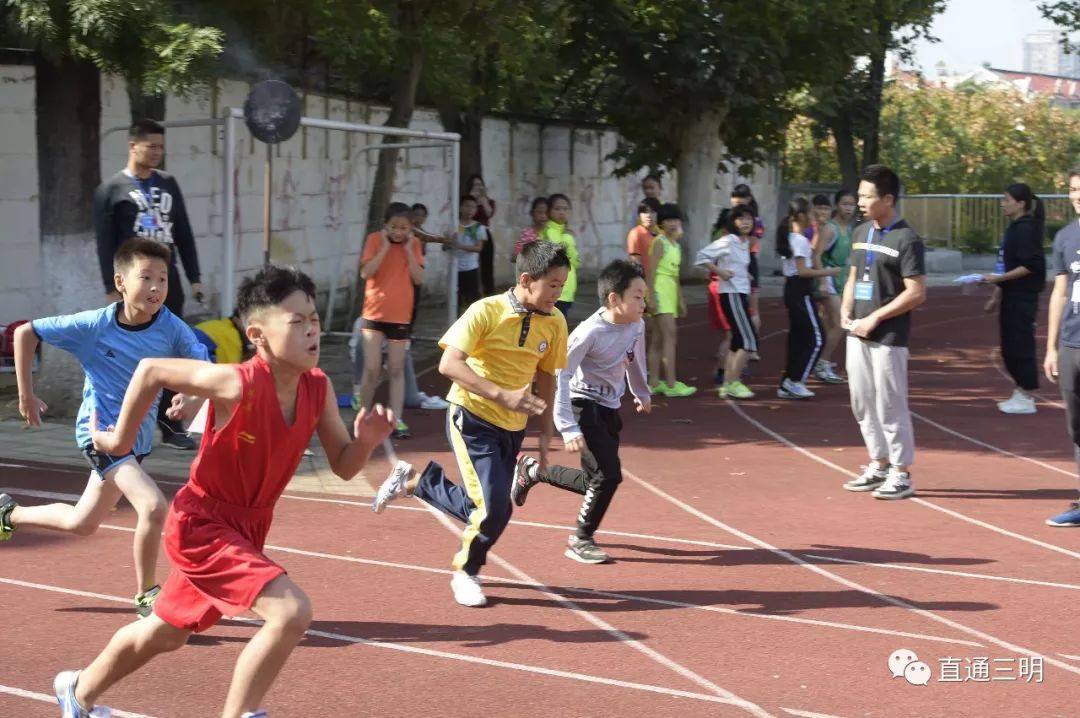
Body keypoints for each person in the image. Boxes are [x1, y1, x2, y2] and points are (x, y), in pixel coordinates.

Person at [48, 265, 396, 718]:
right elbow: (151, 369)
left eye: (313, 319)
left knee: (166, 633)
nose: (312, 330)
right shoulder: (238, 383)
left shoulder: (318, 387)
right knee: (291, 612)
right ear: (258, 335)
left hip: (247, 528)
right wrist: (117, 442)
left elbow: (345, 467)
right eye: (296, 322)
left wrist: (366, 441)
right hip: (203, 525)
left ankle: (78, 689)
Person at [0, 239, 209, 618]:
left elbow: (203, 366)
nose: (156, 288)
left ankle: (8, 515)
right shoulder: (94, 325)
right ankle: (148, 594)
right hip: (103, 435)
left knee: (83, 523)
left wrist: (193, 399)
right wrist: (26, 394)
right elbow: (24, 332)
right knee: (152, 505)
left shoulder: (171, 328)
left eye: (162, 279)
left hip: (138, 440)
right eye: (145, 277)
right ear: (121, 282)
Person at [369, 241, 570, 607]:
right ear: (526, 279)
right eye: (553, 285)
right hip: (472, 417)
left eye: (562, 285)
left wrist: (546, 432)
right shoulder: (485, 311)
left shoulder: (555, 321)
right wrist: (502, 395)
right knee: (494, 508)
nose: (559, 293)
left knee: (489, 506)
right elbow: (449, 366)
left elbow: (546, 377)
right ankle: (466, 571)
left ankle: (417, 482)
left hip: (514, 426)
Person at [511, 260, 651, 564]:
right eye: (637, 297)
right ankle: (581, 538)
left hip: (609, 406)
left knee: (594, 482)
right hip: (581, 405)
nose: (644, 303)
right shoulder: (589, 332)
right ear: (614, 299)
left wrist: (641, 391)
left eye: (645, 296)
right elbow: (560, 373)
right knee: (609, 476)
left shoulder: (636, 324)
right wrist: (568, 426)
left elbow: (635, 357)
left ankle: (532, 471)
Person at [95, 118, 204, 450]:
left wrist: (195, 277)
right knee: (131, 354)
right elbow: (104, 243)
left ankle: (172, 424)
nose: (157, 153)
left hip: (167, 286)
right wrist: (112, 288)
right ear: (133, 146)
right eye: (151, 146)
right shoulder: (111, 190)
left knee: (172, 352)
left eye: (161, 147)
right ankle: (122, 422)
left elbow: (183, 232)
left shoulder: (169, 184)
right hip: (133, 289)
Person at [841, 164, 926, 500]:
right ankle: (878, 463)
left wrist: (875, 318)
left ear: (888, 199)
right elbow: (852, 276)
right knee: (862, 402)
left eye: (867, 196)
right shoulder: (861, 233)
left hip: (888, 337)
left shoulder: (907, 239)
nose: (860, 201)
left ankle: (901, 472)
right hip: (856, 332)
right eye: (859, 195)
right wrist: (846, 309)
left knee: (890, 404)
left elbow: (916, 292)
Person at [359, 202, 425, 439]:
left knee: (396, 369)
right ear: (385, 226)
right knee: (372, 368)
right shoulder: (375, 240)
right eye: (394, 227)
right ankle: (364, 415)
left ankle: (396, 419)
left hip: (400, 315)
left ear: (411, 228)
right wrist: (385, 247)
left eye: (404, 228)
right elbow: (366, 273)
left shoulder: (414, 244)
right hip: (374, 313)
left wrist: (407, 250)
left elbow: (418, 278)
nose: (399, 232)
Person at [982, 183, 1046, 415]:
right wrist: (996, 294)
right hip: (1011, 295)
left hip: (1022, 297)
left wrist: (997, 279)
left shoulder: (1027, 229)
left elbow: (1031, 265)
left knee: (1020, 344)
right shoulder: (1014, 228)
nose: (1003, 203)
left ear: (1020, 203)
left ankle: (1026, 394)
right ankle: (1019, 391)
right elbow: (1010, 266)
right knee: (1010, 346)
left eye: (1007, 199)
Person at [1042, 165, 1080, 527]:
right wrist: (1051, 346)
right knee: (1077, 427)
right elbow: (1059, 291)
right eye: (1072, 190)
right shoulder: (1066, 237)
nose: (1077, 196)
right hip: (1071, 342)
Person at [777, 198, 840, 400]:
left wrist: (819, 232)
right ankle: (795, 381)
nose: (815, 217)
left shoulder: (793, 237)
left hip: (793, 290)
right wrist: (828, 272)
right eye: (812, 214)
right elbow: (803, 271)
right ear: (803, 217)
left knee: (798, 338)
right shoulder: (799, 240)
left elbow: (805, 259)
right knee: (816, 338)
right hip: (799, 291)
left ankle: (789, 381)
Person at [696, 205, 759, 399]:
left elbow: (735, 264)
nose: (746, 222)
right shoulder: (728, 241)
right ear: (733, 222)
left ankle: (727, 384)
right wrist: (720, 272)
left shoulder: (744, 242)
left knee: (738, 340)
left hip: (739, 293)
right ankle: (733, 382)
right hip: (730, 294)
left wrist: (745, 275)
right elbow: (700, 257)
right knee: (749, 341)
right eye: (741, 219)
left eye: (749, 218)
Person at [647, 203, 696, 397]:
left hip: (670, 291)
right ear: (661, 223)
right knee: (670, 336)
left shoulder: (675, 245)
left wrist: (680, 300)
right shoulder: (660, 242)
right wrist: (650, 297)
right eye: (668, 220)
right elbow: (651, 271)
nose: (673, 223)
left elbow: (675, 276)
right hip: (659, 290)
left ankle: (654, 382)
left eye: (676, 220)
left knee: (659, 339)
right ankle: (670, 382)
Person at [810, 194, 846, 385]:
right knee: (840, 323)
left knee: (827, 323)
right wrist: (823, 280)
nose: (849, 208)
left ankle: (818, 360)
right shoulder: (829, 229)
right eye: (844, 204)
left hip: (839, 280)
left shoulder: (846, 228)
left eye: (852, 204)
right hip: (827, 280)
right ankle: (822, 363)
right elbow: (816, 255)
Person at [540, 193, 581, 317]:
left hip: (567, 290)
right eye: (557, 209)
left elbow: (576, 262)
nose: (562, 212)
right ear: (549, 211)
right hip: (553, 289)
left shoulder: (566, 233)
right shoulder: (548, 232)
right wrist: (567, 242)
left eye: (565, 209)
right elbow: (558, 256)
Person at [452, 195, 489, 312]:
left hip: (471, 268)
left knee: (473, 300)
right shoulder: (453, 225)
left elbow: (479, 248)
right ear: (460, 207)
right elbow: (446, 243)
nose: (469, 209)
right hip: (454, 268)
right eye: (467, 206)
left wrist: (460, 246)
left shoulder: (478, 227)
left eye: (473, 207)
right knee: (455, 299)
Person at [468, 175, 497, 295]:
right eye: (475, 184)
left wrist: (484, 200)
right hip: (469, 232)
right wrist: (471, 198)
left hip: (484, 232)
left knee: (487, 263)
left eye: (480, 184)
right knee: (470, 264)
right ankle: (471, 293)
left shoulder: (489, 201)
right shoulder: (467, 202)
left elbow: (489, 213)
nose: (478, 187)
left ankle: (488, 292)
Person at [627, 197, 660, 277]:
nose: (648, 215)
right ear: (639, 215)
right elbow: (635, 263)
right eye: (645, 212)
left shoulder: (661, 234)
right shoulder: (636, 233)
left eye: (652, 212)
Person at [512, 197, 549, 261]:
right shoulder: (527, 234)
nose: (543, 216)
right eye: (539, 212)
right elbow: (514, 257)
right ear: (532, 214)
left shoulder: (551, 233)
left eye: (546, 213)